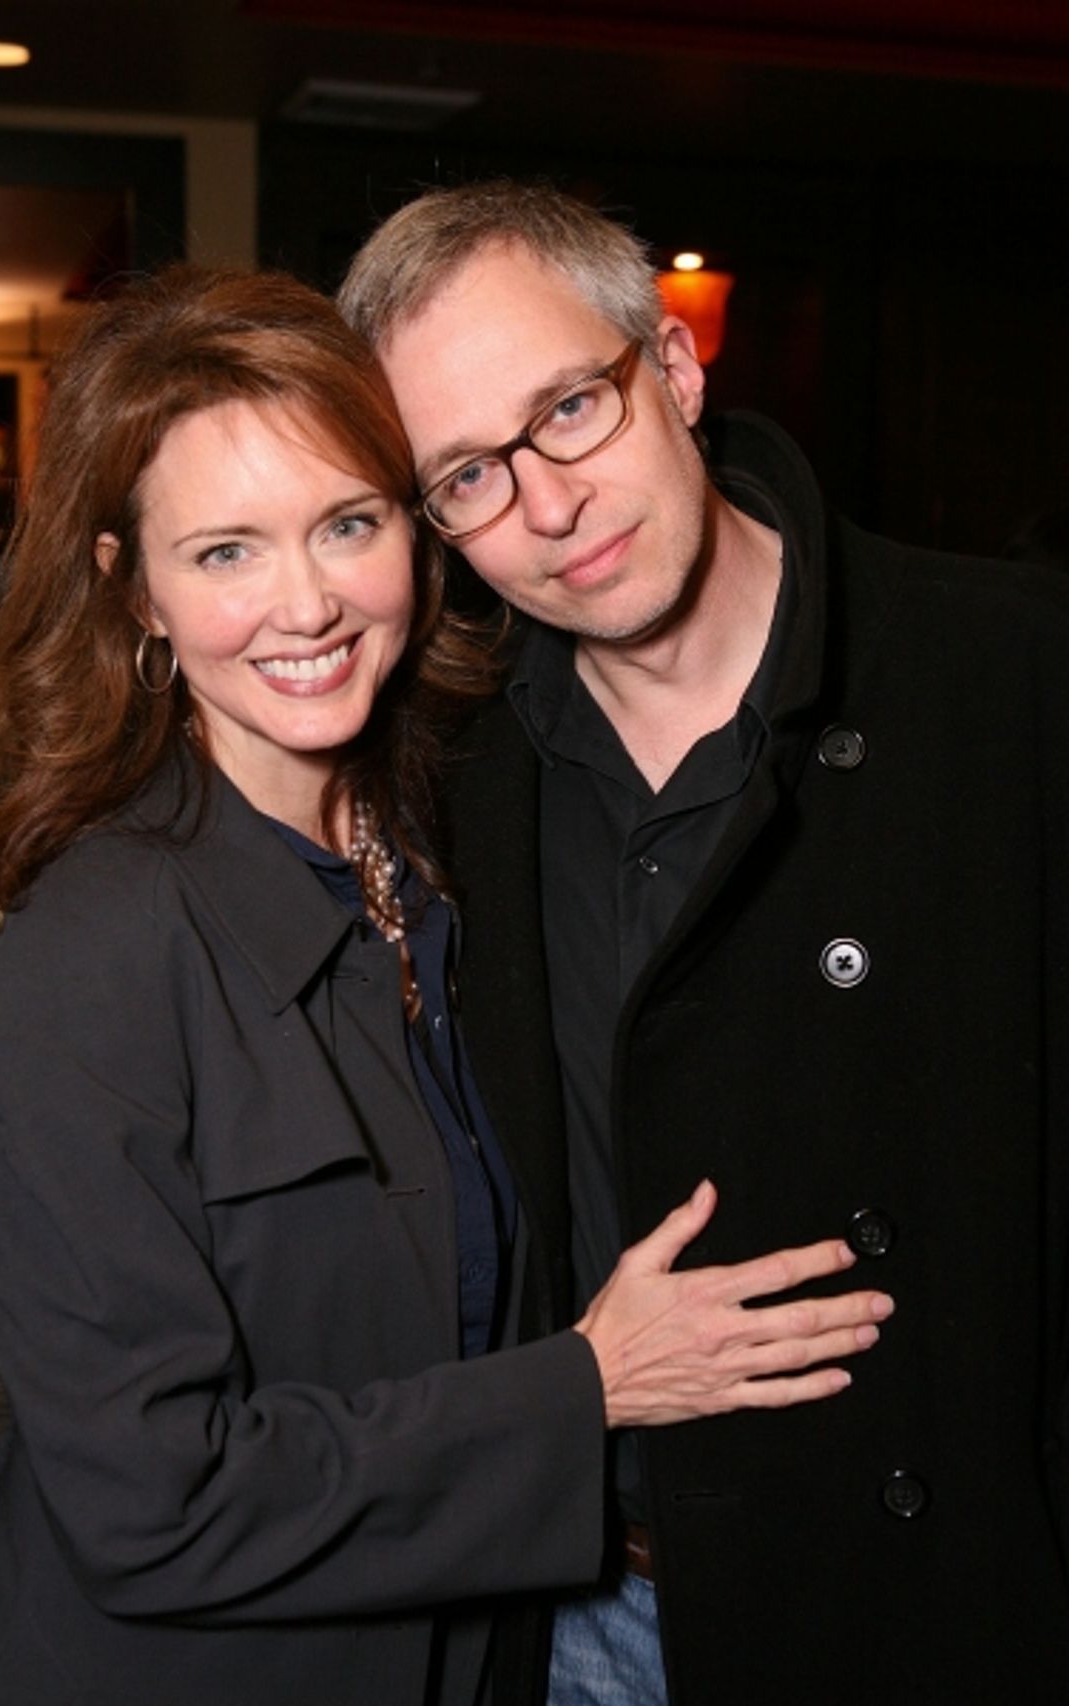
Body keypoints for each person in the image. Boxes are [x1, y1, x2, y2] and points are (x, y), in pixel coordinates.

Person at [0, 267, 890, 1706]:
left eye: (348, 523)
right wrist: (589, 1386)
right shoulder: (100, 945)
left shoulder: (448, 849)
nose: (305, 603)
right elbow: (149, 1498)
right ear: (134, 584)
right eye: (226, 551)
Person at [339, 181, 1069, 1706]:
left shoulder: (1010, 677)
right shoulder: (446, 773)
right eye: (467, 473)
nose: (545, 505)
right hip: (591, 1621)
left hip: (941, 1613)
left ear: (672, 369)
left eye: (568, 411)